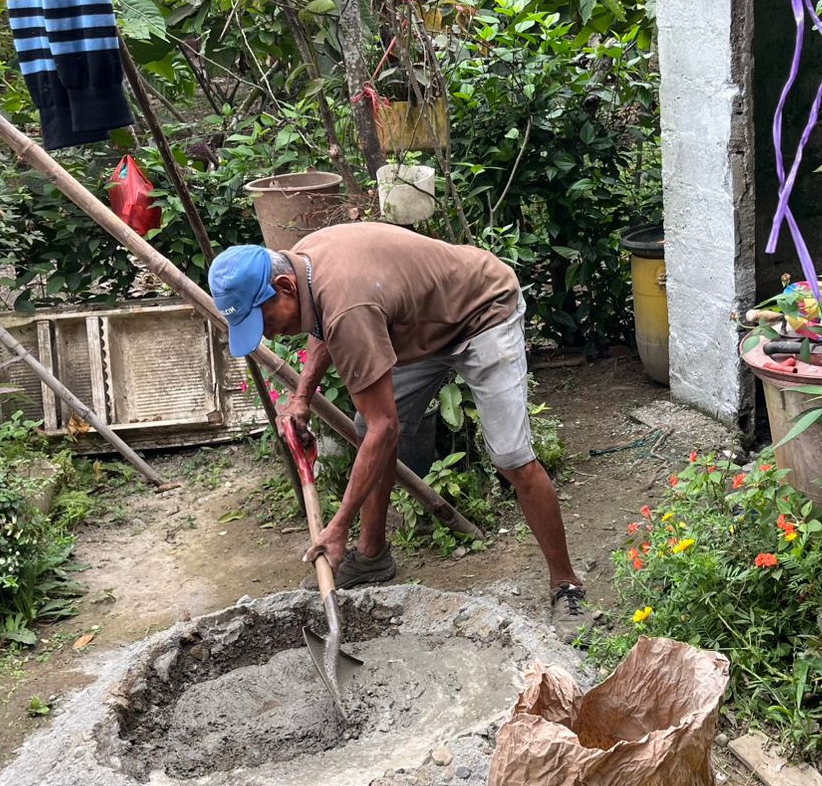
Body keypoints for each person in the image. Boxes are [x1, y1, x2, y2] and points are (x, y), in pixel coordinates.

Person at [208, 222, 590, 638]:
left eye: (262, 320)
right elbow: (323, 326)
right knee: (368, 426)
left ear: (284, 287)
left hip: (483, 311)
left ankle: (566, 584)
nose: (267, 333)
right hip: (424, 324)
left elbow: (383, 422)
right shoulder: (303, 266)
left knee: (511, 458)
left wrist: (338, 527)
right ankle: (372, 556)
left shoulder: (344, 300)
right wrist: (301, 397)